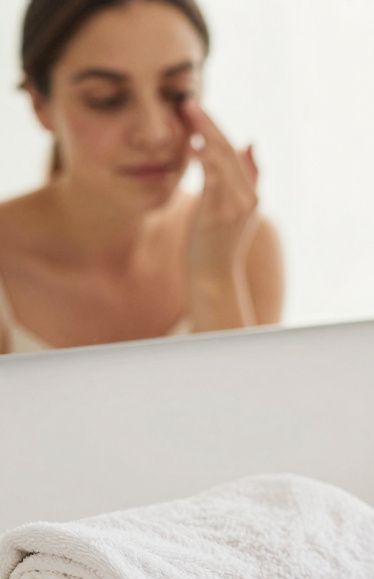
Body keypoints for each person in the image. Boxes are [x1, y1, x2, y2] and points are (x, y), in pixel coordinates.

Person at [0, 0, 282, 354]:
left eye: (178, 92)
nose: (153, 133)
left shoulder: (246, 245)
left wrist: (215, 279)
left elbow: (246, 392)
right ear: (40, 104)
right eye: (106, 99)